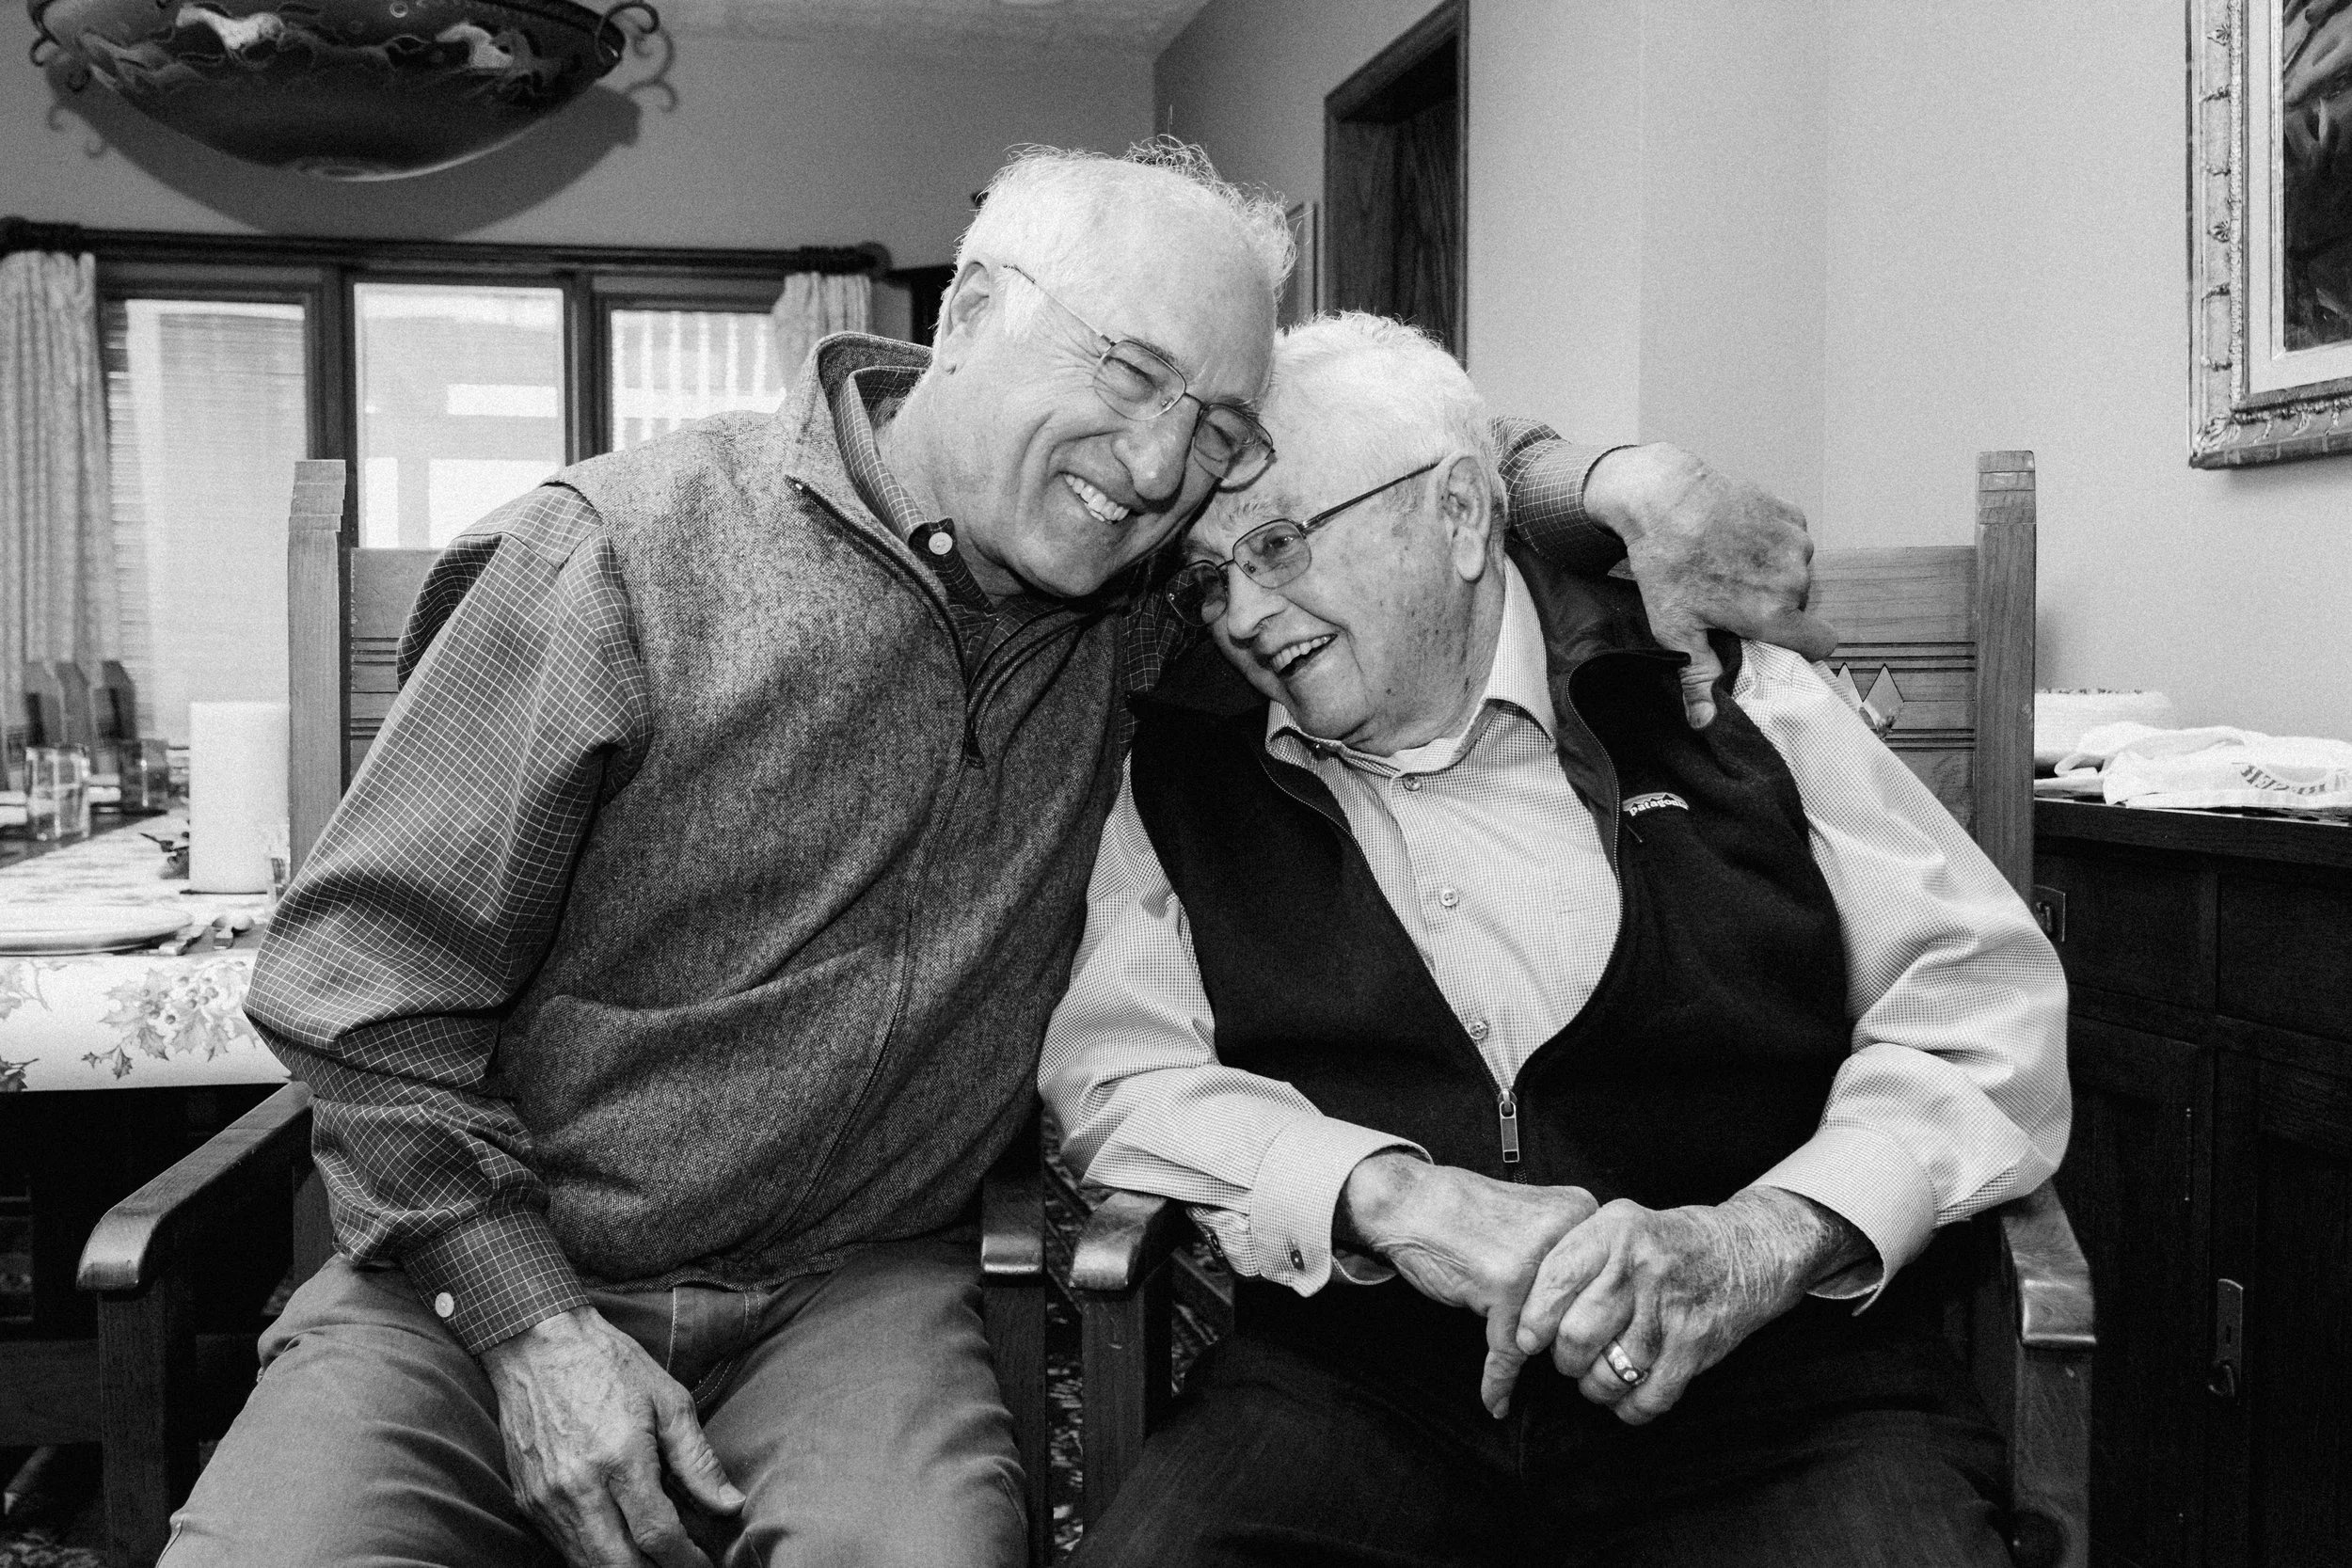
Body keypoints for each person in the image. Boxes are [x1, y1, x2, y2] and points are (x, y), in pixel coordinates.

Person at [181, 144, 1829, 1568]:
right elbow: (355, 984)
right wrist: (532, 1324)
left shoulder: (1144, 611)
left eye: (1214, 427)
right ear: (963, 319)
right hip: (483, 1274)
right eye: (1128, 372)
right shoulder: (614, 560)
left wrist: (1597, 478)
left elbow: (1391, 486)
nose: (1157, 463)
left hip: (846, 1297)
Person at [1042, 311, 2070, 1568]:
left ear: (1464, 514)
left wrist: (1759, 1240)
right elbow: (1117, 1072)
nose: (1244, 614)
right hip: (1360, 1384)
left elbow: (1982, 1004)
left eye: (1278, 545)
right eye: (1210, 577)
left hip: (1774, 1383)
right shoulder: (1190, 760)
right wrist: (1390, 1195)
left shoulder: (1718, 690)